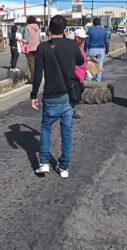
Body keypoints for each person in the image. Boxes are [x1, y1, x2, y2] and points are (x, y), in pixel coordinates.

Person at [30, 15, 84, 178]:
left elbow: (38, 74)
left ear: (49, 29)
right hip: (68, 96)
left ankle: (44, 163)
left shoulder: (43, 48)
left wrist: (34, 95)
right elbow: (81, 61)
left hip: (50, 97)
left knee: (46, 128)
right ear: (65, 29)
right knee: (66, 131)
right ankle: (64, 167)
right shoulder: (72, 45)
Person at [25, 16, 41, 81]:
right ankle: (38, 77)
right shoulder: (38, 28)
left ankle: (33, 79)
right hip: (37, 47)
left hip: (29, 48)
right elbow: (39, 38)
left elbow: (26, 39)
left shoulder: (27, 28)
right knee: (36, 64)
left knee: (31, 64)